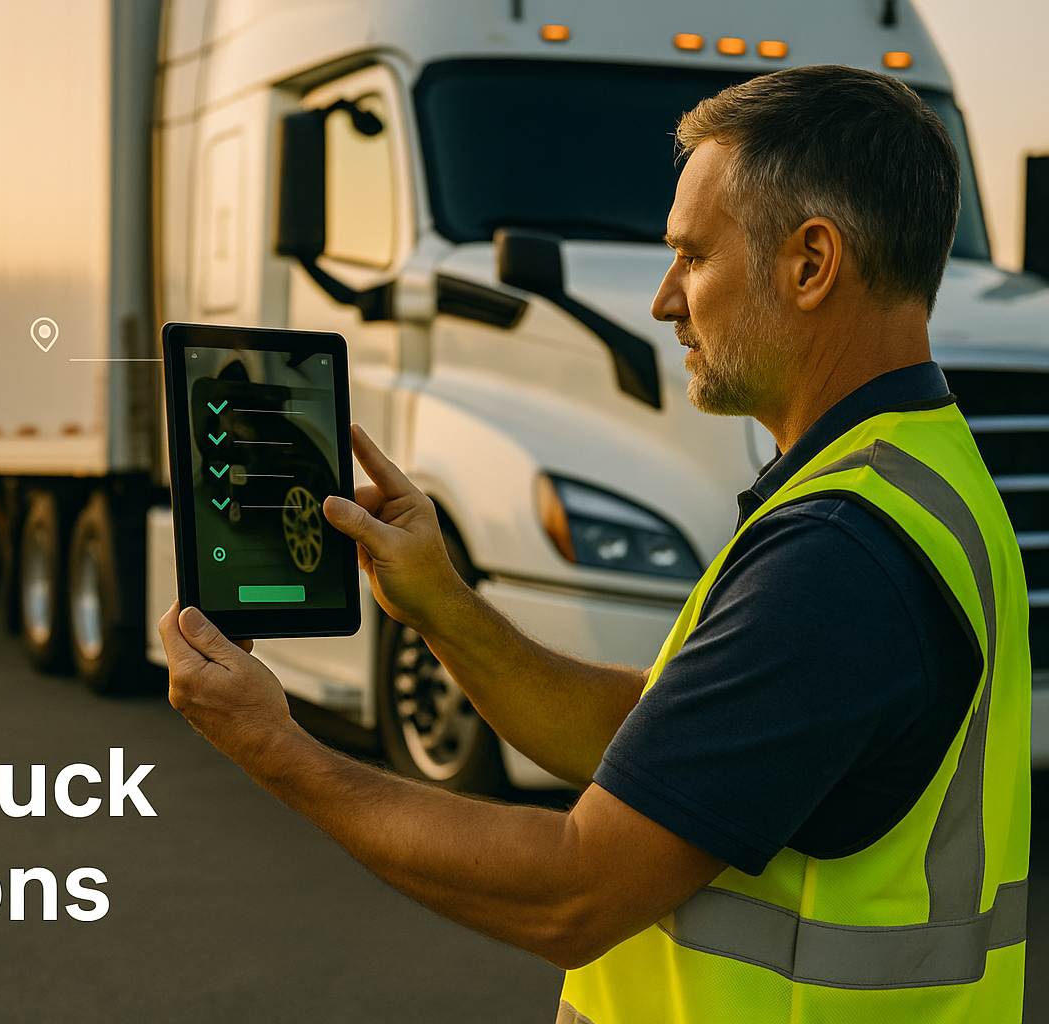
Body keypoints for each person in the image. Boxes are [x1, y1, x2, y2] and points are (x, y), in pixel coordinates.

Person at [159, 64, 1030, 1023]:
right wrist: (441, 602)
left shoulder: (840, 554)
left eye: (693, 257)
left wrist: (275, 747)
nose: (664, 301)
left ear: (812, 263)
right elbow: (666, 745)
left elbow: (570, 891)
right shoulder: (915, 474)